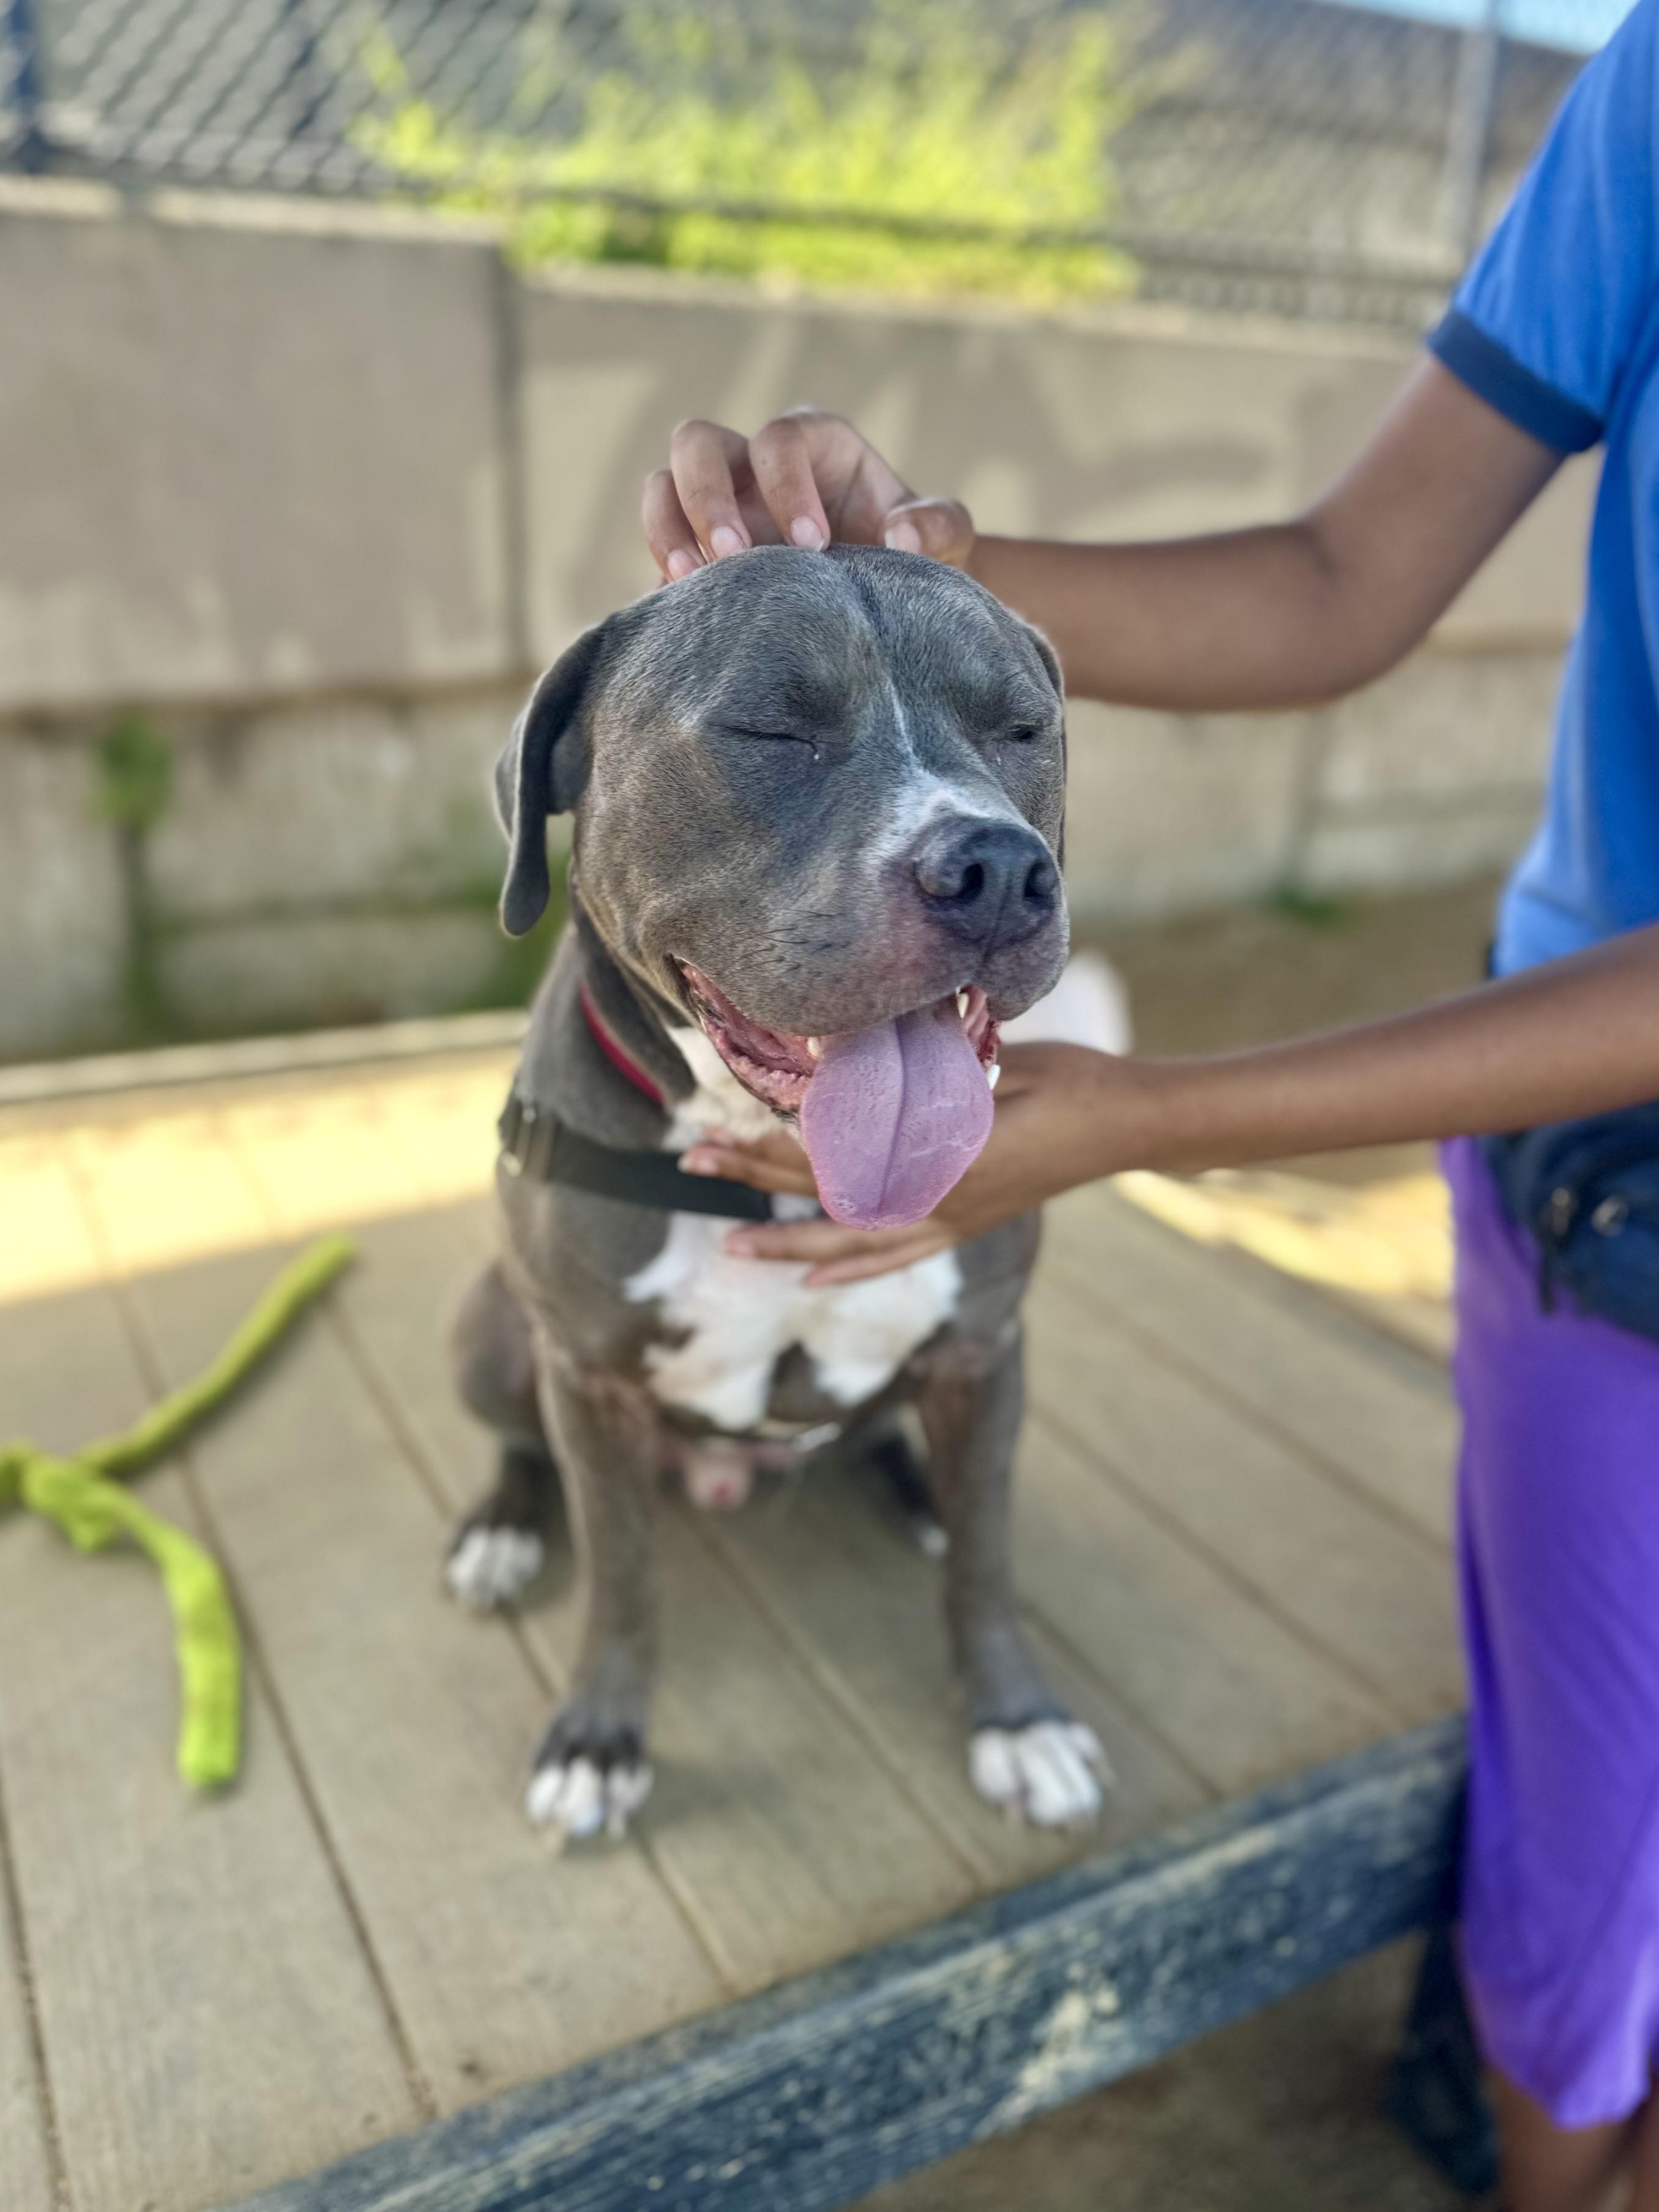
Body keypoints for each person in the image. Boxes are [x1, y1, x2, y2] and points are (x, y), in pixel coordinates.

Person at [639, 7, 1659, 2208]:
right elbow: (1337, 578)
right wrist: (891, 569)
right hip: (1602, 1192)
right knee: (1584, 1940)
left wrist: (1144, 1110)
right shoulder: (1657, 82)